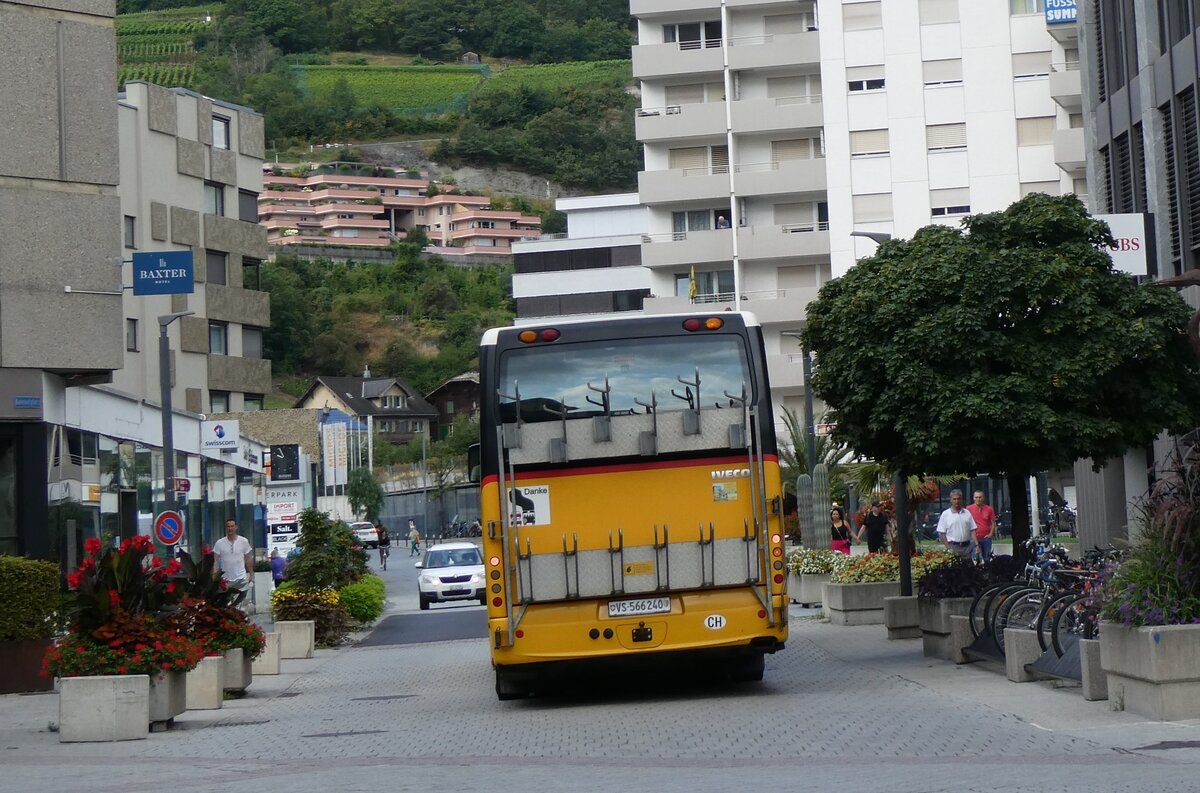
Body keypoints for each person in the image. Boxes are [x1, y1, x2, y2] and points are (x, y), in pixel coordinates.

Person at [937, 489, 978, 560]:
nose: (957, 501)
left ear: (961, 500)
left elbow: (972, 530)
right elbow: (942, 533)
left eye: (958, 499)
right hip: (953, 547)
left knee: (969, 568)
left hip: (967, 547)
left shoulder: (967, 513)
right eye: (954, 499)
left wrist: (977, 545)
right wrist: (948, 548)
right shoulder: (945, 514)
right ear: (951, 500)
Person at [213, 518, 253, 588]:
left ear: (236, 527)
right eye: (228, 526)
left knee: (241, 598)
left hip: (241, 578)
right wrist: (215, 576)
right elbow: (215, 561)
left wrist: (251, 574)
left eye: (232, 526)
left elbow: (248, 559)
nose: (230, 528)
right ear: (226, 528)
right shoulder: (219, 543)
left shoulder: (243, 541)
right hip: (225, 579)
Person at [966, 490, 998, 562]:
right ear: (973, 498)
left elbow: (993, 522)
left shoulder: (989, 509)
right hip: (974, 538)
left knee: (987, 557)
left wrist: (991, 534)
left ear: (983, 498)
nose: (978, 499)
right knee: (975, 557)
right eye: (976, 497)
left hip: (985, 537)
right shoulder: (968, 509)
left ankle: (987, 571)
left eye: (980, 497)